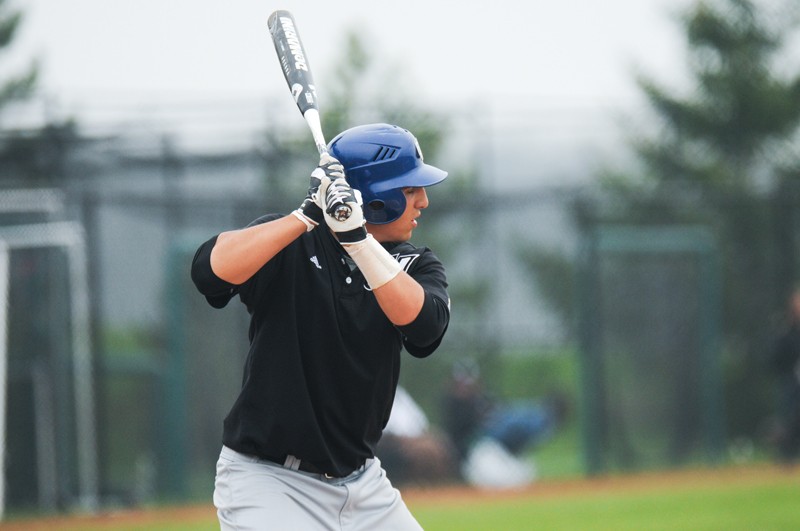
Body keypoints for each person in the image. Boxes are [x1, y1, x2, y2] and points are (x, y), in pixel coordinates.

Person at [190, 123, 450, 530]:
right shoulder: (291, 241)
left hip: (364, 484)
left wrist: (358, 241)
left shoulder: (414, 264)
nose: (423, 201)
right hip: (269, 481)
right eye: (409, 189)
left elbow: (424, 326)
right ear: (376, 195)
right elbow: (209, 272)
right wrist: (307, 215)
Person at [770, 288, 800, 464]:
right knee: (791, 418)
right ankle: (787, 457)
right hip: (792, 386)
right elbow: (775, 359)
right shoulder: (787, 333)